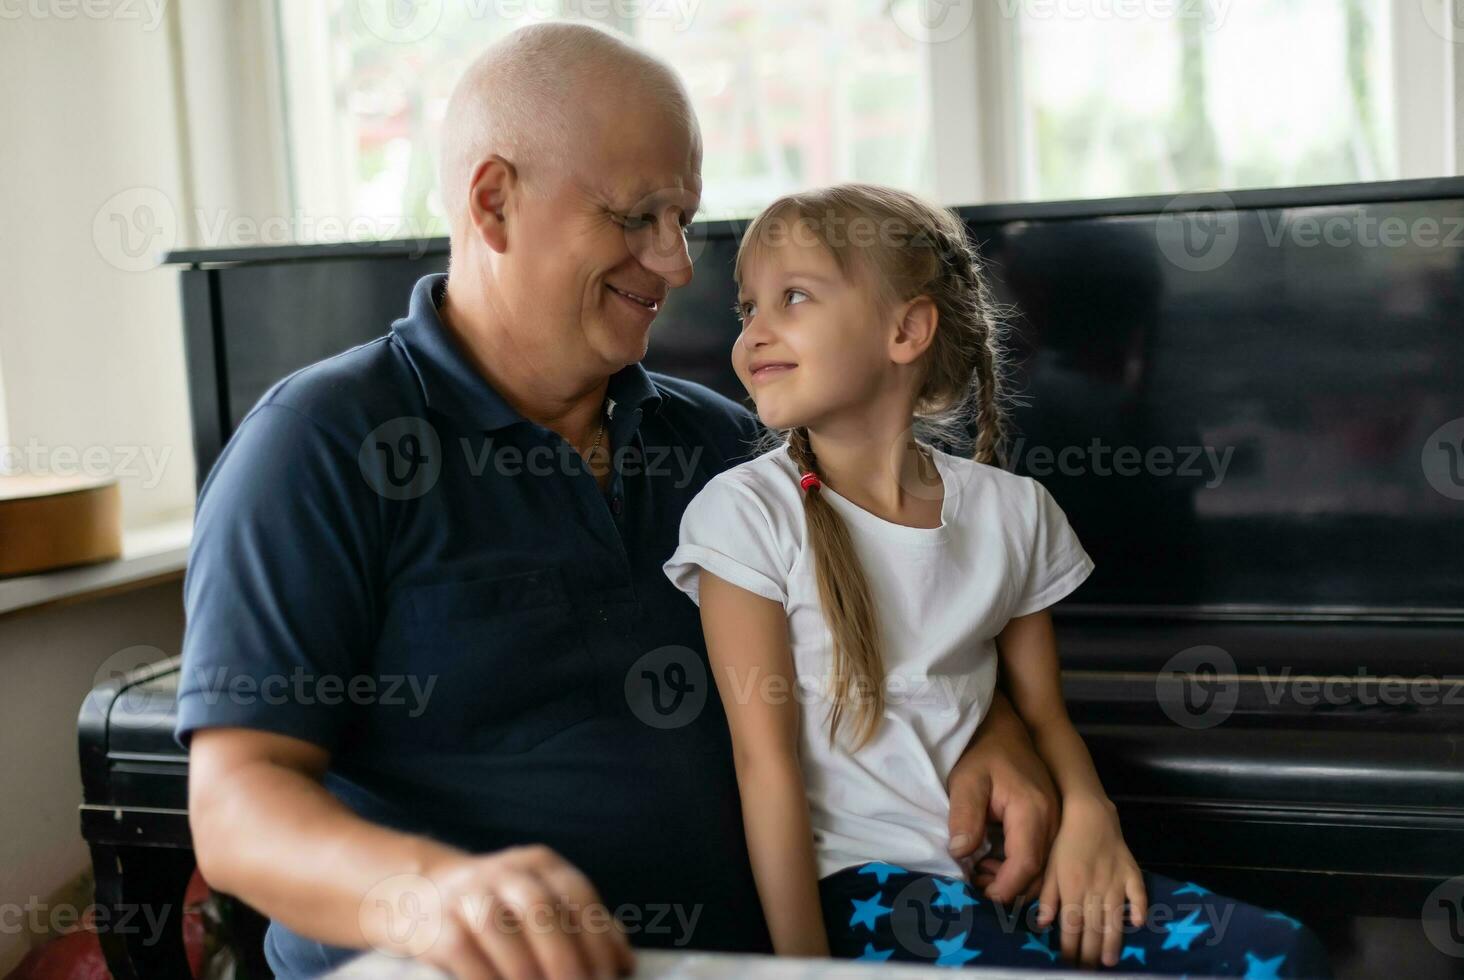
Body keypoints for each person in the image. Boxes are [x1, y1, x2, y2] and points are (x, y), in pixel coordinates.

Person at [177, 25, 1064, 980]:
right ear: (494, 202)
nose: (678, 263)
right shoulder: (318, 442)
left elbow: (902, 630)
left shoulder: (729, 446)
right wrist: (429, 893)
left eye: (682, 218)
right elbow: (236, 808)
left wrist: (998, 732)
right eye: (639, 216)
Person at [662, 183, 1335, 977]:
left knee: (1281, 954)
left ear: (907, 329)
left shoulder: (1013, 511)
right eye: (748, 309)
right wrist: (808, 971)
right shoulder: (743, 515)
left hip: (1007, 872)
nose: (754, 334)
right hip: (871, 896)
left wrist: (1090, 816)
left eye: (794, 297)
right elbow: (763, 770)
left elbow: (1042, 714)